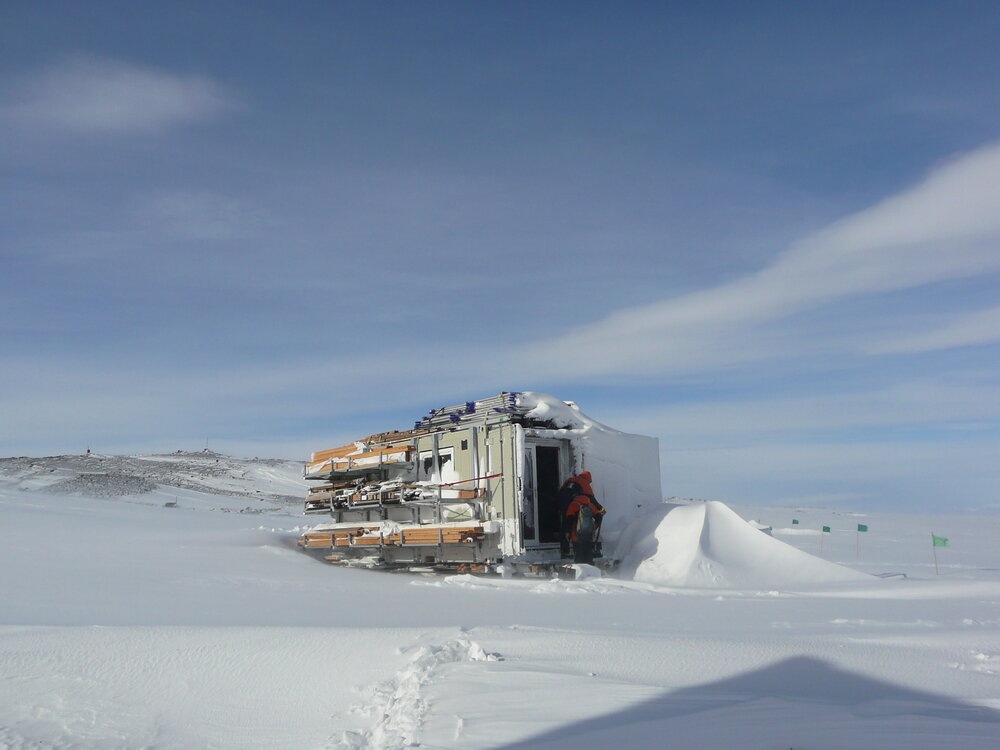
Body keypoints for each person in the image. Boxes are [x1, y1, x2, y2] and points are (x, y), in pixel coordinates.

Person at [561, 471, 605, 563]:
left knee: (566, 527)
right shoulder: (589, 502)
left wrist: (568, 532)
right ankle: (590, 568)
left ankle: (565, 551)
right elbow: (594, 502)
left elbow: (561, 492)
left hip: (565, 507)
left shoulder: (570, 480)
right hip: (587, 536)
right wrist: (602, 511)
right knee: (588, 556)